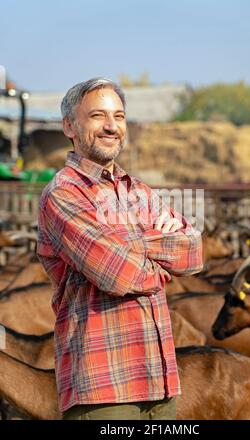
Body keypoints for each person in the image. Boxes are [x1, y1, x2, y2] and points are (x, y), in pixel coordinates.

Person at [37, 77, 203, 420]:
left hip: (161, 382)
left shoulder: (138, 190)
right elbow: (119, 274)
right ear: (69, 125)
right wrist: (157, 248)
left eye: (120, 116)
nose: (111, 126)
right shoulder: (63, 194)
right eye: (98, 115)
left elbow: (194, 251)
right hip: (104, 388)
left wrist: (128, 243)